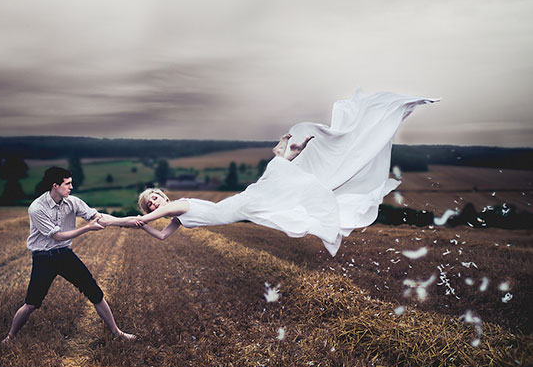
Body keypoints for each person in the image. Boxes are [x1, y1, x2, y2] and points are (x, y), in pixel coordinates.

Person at [101, 90, 439, 256]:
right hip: (237, 209)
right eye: (151, 203)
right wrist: (116, 221)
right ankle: (287, 151)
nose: (156, 201)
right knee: (275, 184)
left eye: (155, 196)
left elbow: (145, 222)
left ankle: (289, 150)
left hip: (237, 206)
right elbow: (157, 234)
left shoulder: (172, 208)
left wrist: (108, 219)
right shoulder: (169, 214)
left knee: (273, 182)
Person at [2, 166, 136, 344]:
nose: (71, 187)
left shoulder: (72, 202)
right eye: (68, 184)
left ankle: (117, 333)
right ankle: (10, 337)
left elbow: (96, 216)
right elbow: (57, 236)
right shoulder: (37, 208)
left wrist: (126, 221)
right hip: (44, 257)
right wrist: (87, 228)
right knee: (31, 303)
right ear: (55, 185)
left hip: (64, 255)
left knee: (94, 292)